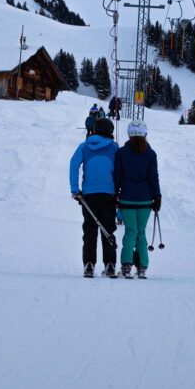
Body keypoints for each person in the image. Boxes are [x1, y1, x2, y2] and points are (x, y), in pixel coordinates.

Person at [69, 118, 119, 278]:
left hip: (89, 195)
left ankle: (89, 264)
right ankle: (110, 264)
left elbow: (73, 164)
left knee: (90, 230)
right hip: (109, 194)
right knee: (108, 228)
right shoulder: (114, 148)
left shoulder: (84, 146)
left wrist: (75, 189)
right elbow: (120, 170)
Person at [113, 120, 161, 279]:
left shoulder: (121, 153)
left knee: (130, 231)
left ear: (129, 134)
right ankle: (142, 266)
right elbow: (153, 177)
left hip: (126, 198)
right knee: (141, 232)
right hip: (145, 200)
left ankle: (126, 265)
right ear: (145, 134)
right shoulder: (151, 154)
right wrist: (157, 196)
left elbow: (117, 176)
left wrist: (115, 195)